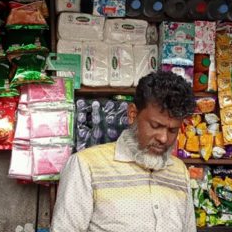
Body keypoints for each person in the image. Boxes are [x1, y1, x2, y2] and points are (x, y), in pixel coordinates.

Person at [51, 71, 197, 232]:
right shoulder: (86, 166)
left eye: (172, 130)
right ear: (132, 114)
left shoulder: (179, 172)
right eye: (156, 126)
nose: (163, 138)